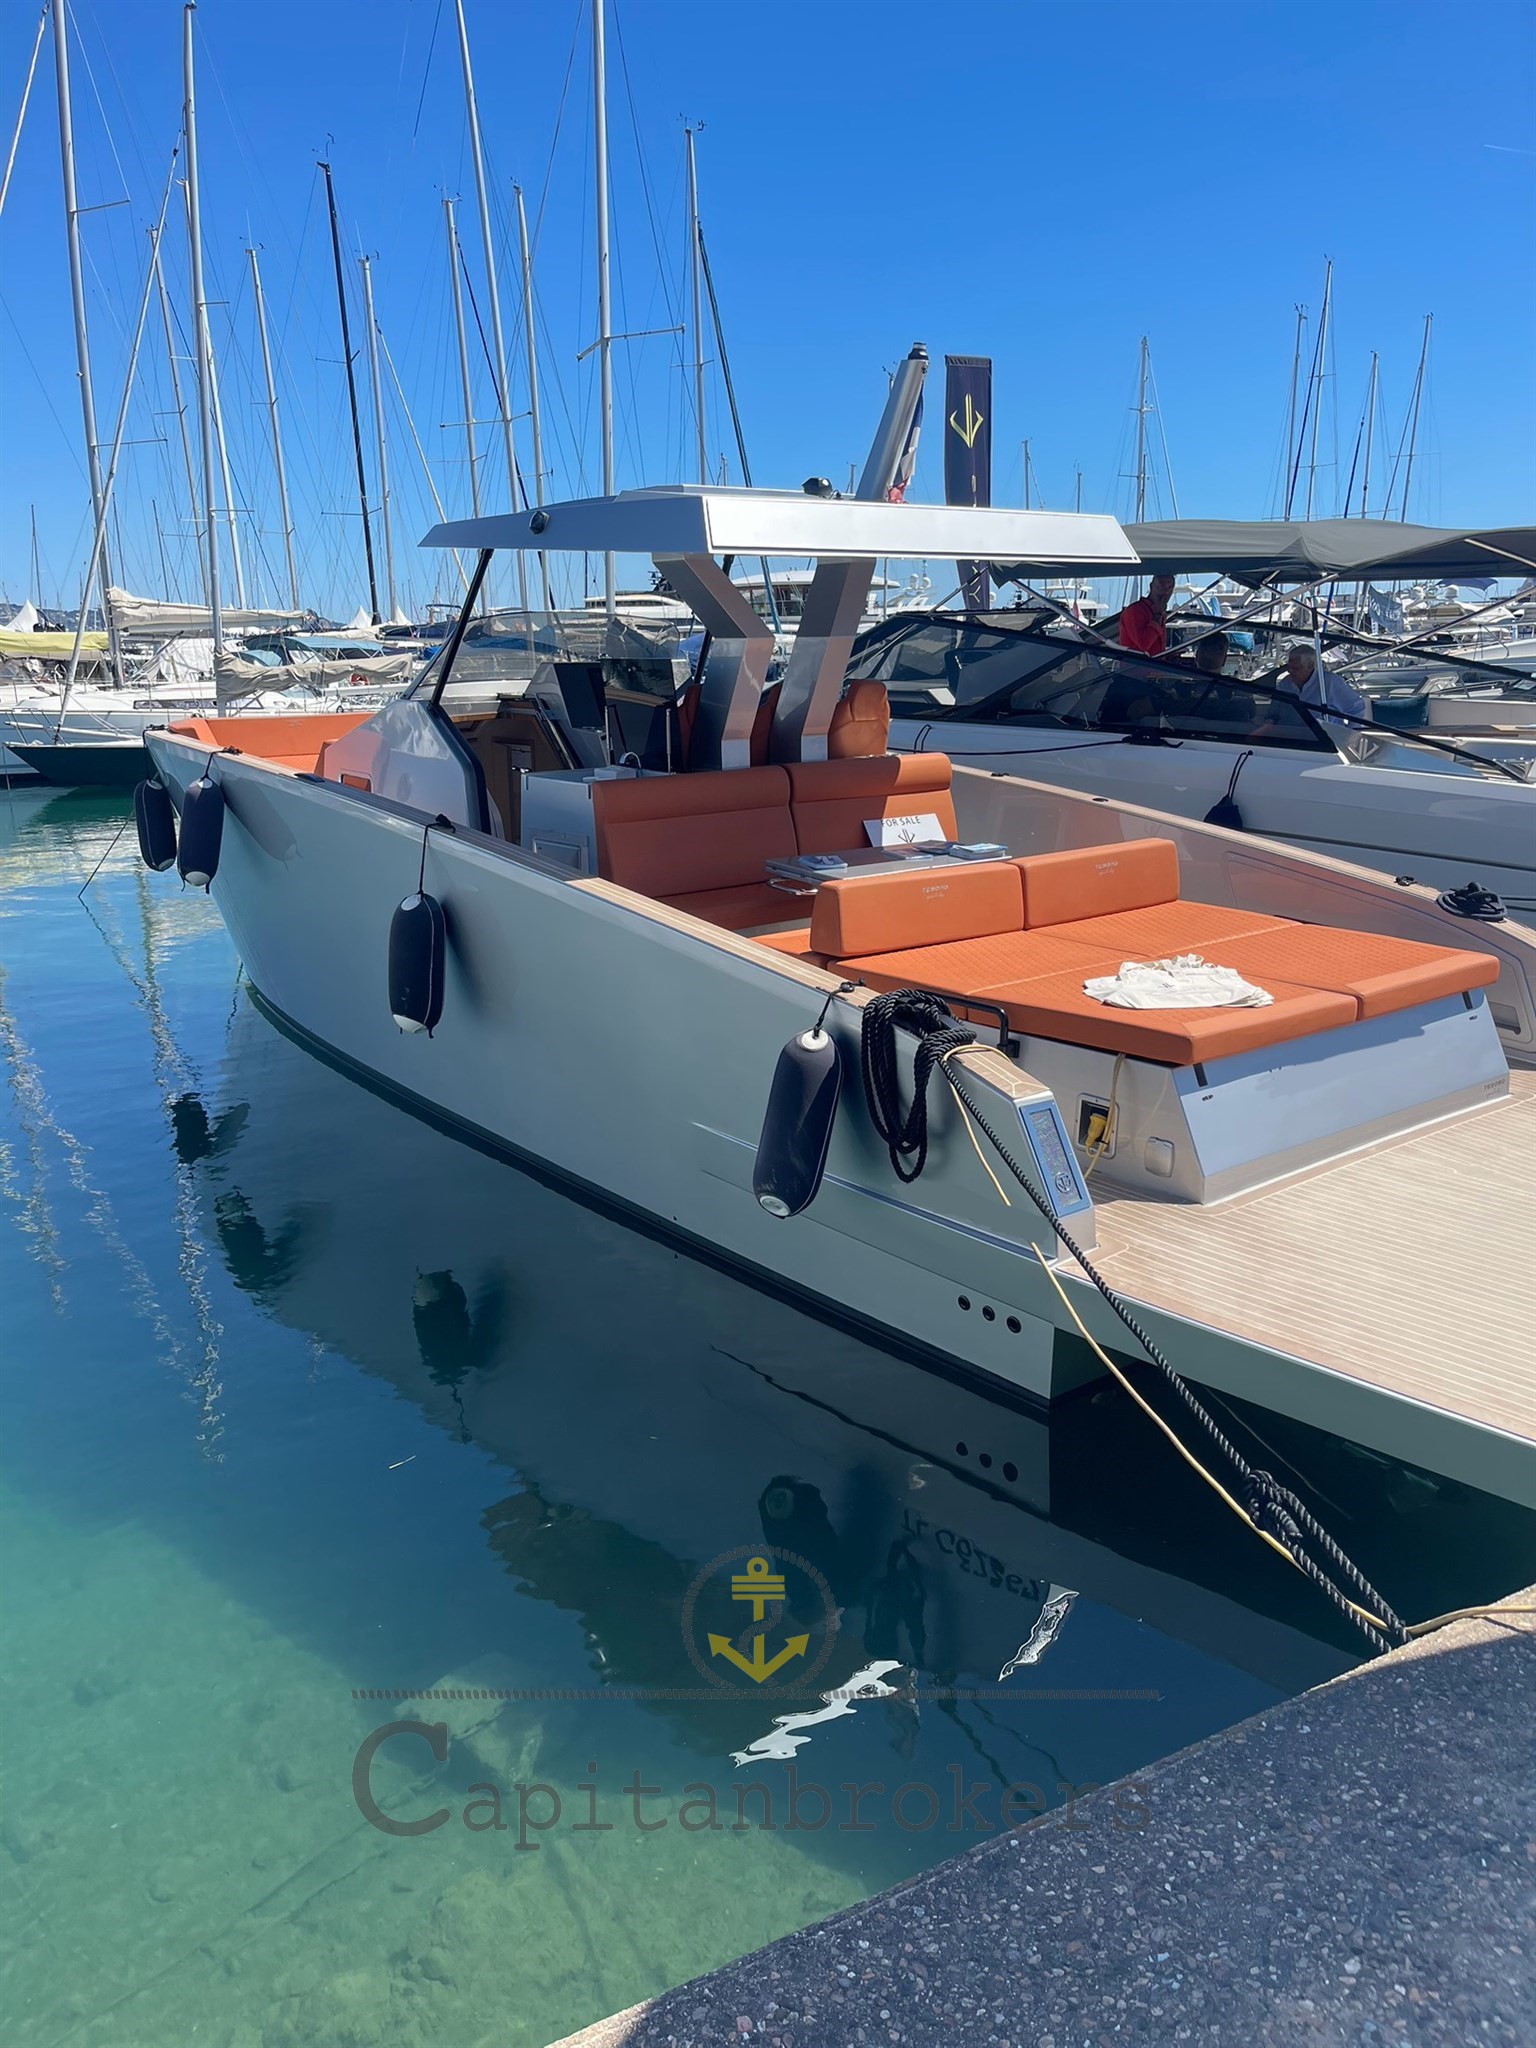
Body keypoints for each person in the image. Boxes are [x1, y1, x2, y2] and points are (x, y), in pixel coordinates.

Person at [1280, 642, 1372, 725]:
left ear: (1310, 666)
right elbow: (1276, 711)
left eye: (1296, 668)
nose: (1290, 671)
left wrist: (1349, 735)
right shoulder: (1284, 684)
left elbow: (1357, 708)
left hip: (1325, 736)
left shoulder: (1330, 682)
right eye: (1289, 667)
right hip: (1290, 735)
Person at [1118, 573, 1175, 657]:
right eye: (1161, 585)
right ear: (1151, 586)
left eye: (1170, 587)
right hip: (1136, 664)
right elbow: (1143, 644)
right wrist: (1157, 616)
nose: (1166, 591)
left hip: (1154, 664)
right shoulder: (1135, 610)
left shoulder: (1159, 613)